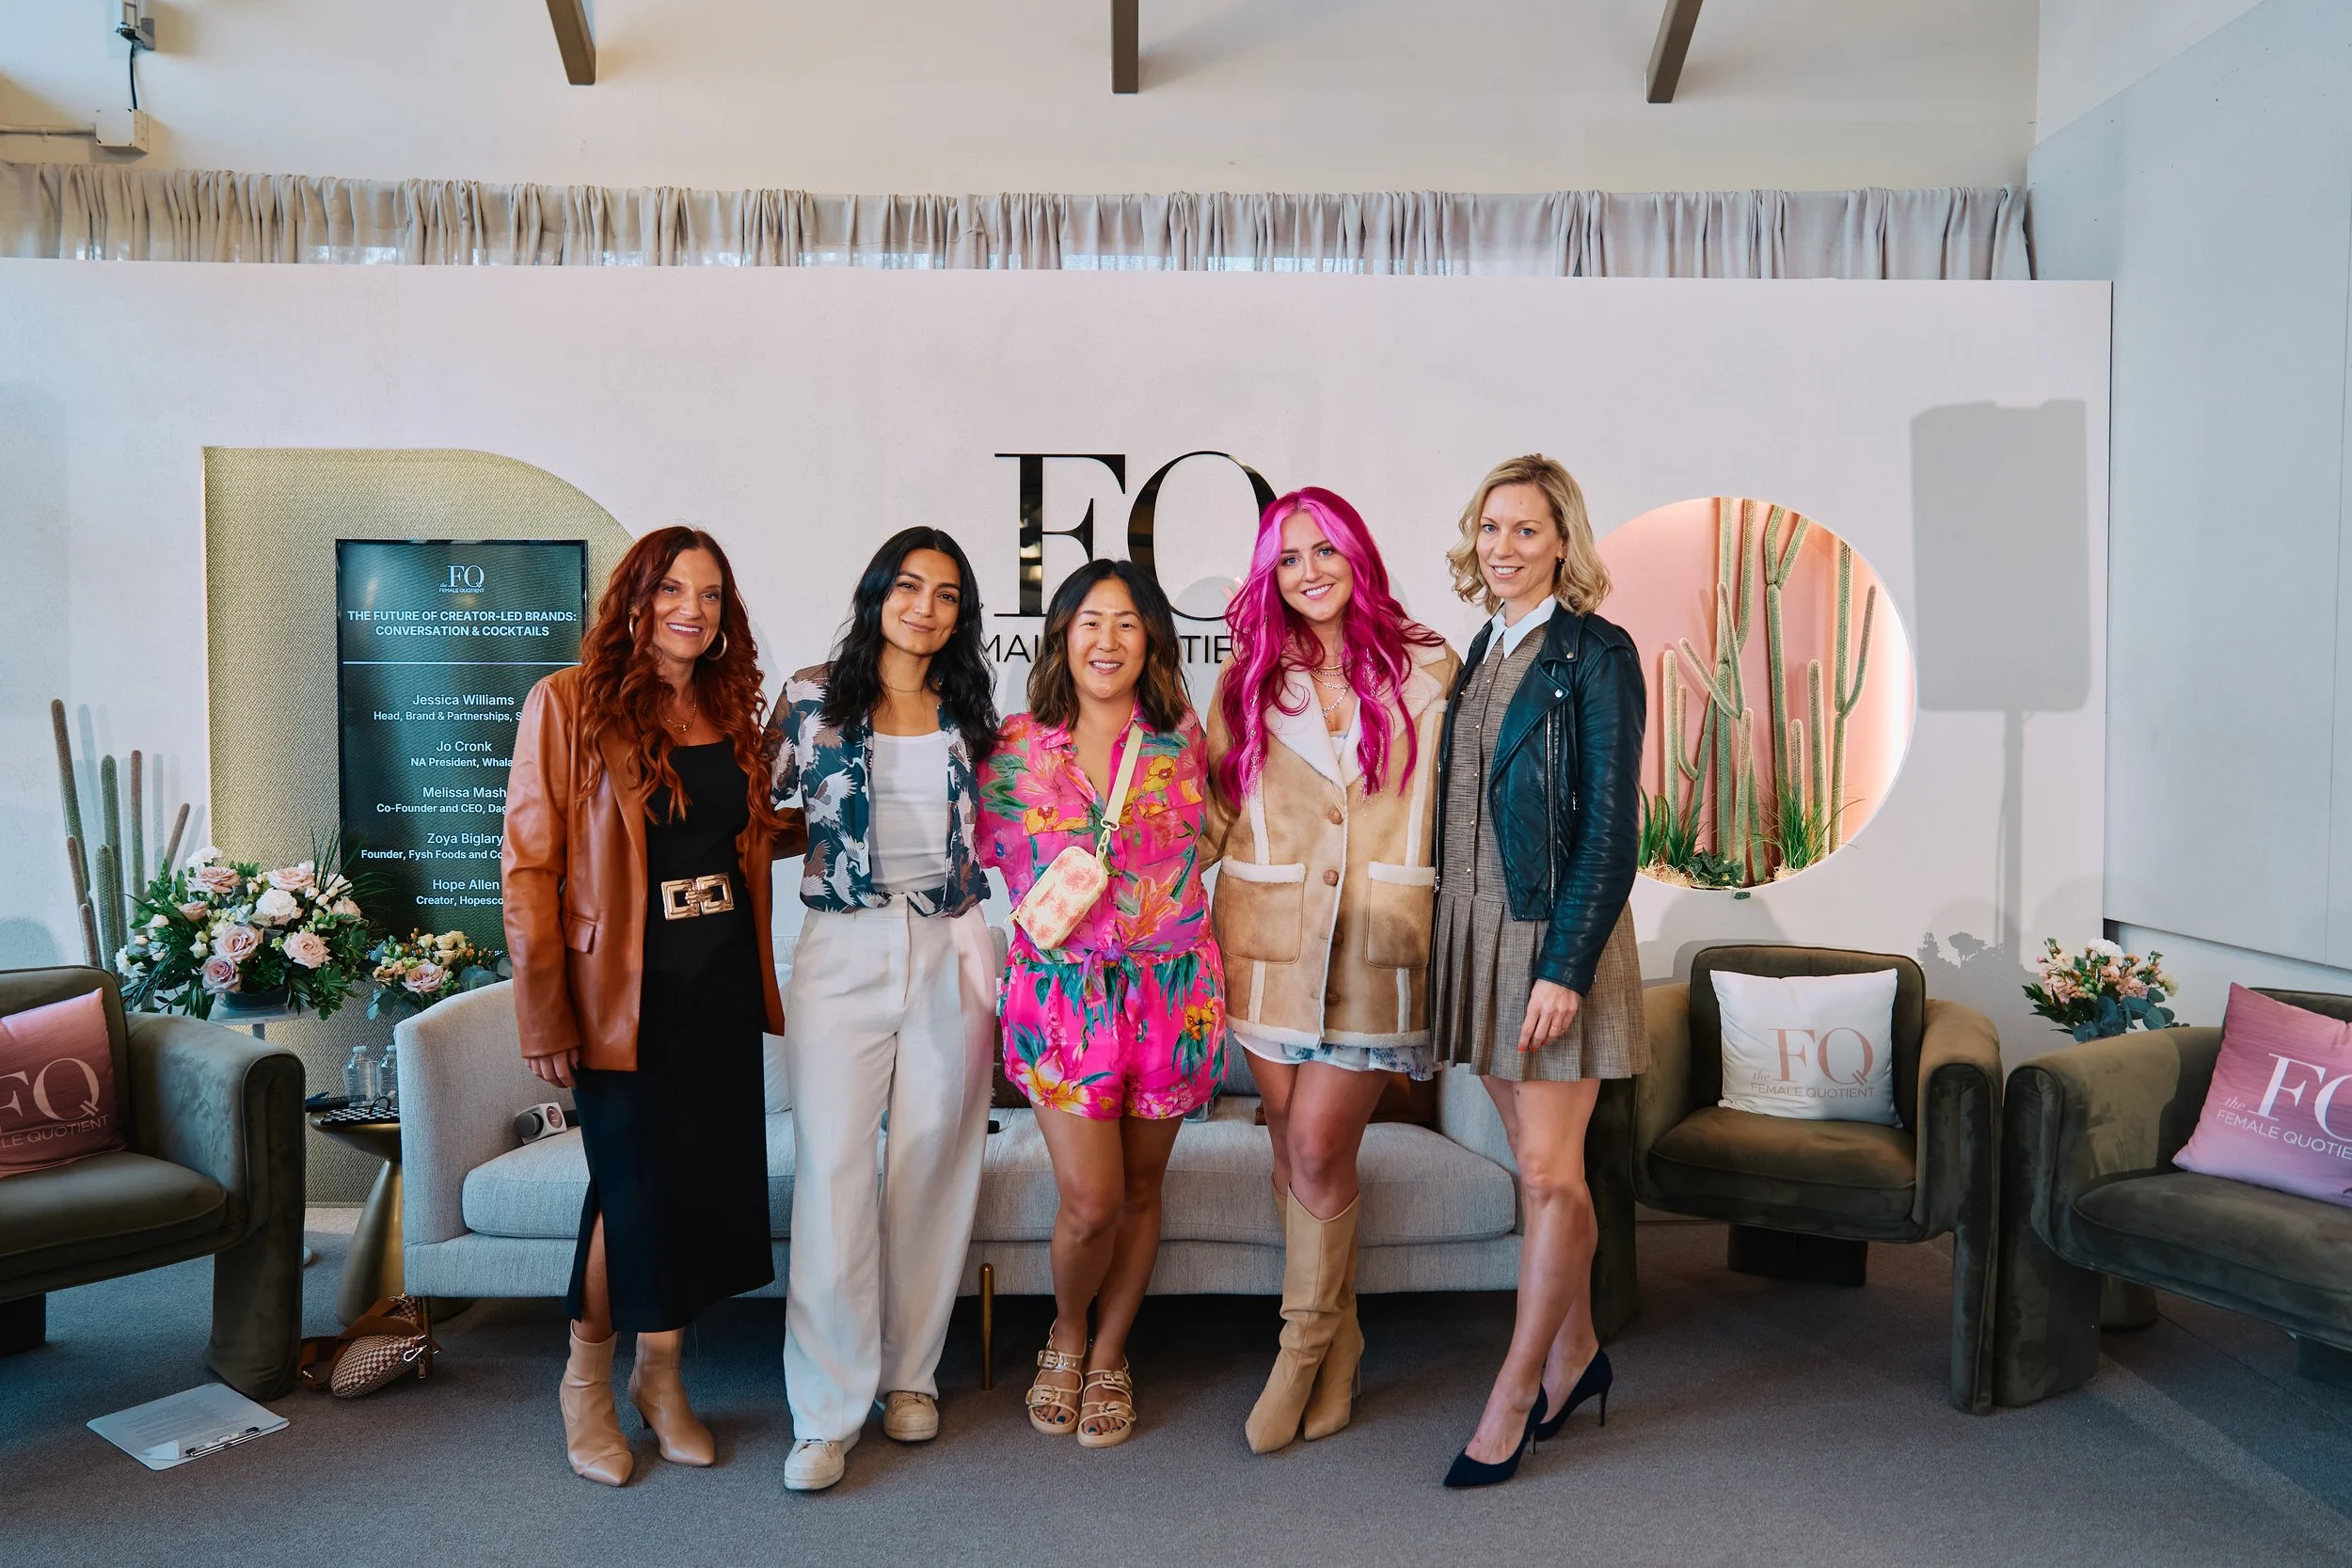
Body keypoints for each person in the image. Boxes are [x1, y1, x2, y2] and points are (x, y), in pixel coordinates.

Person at [504, 525, 800, 1488]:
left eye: (711, 594)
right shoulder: (566, 702)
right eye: (673, 588)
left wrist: (851, 797)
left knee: (702, 1185)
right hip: (618, 993)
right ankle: (586, 1381)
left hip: (714, 983)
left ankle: (662, 1379)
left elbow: (753, 835)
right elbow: (531, 865)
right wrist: (544, 1010)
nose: (692, 608)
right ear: (634, 596)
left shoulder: (725, 707)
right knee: (628, 1194)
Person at [1202, 487, 1459, 1453]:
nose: (1307, 570)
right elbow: (1212, 815)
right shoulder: (1247, 678)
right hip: (1265, 948)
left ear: (1357, 553)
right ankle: (1345, 1340)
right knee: (1293, 1150)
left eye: (1324, 549)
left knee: (1314, 1143)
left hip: (1377, 946)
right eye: (1287, 557)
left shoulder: (1430, 665)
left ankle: (1298, 1346)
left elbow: (1458, 807)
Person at [765, 527, 1002, 1494]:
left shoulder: (972, 710)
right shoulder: (814, 695)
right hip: (842, 945)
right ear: (877, 593)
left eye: (946, 595)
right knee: (831, 1169)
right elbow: (759, 811)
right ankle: (824, 1410)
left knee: (931, 1163)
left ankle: (910, 1376)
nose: (925, 608)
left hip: (948, 940)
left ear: (961, 615)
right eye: (909, 587)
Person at [1428, 454, 1646, 1488]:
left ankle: (1512, 1391)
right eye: (1491, 528)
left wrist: (1564, 963)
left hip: (1556, 939)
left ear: (1564, 541)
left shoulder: (1593, 653)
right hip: (1479, 934)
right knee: (1537, 1169)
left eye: (1525, 529)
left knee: (1553, 1175)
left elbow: (1612, 826)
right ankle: (1575, 1352)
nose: (1503, 547)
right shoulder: (1480, 647)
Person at [975, 560, 1228, 1450]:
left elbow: (1237, 821)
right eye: (1089, 621)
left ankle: (1114, 1351)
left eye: (1126, 622)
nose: (1108, 640)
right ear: (1060, 636)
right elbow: (983, 862)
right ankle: (1069, 1331)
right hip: (1062, 1001)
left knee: (1144, 1187)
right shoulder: (1012, 747)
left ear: (1151, 637)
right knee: (1091, 1198)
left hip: (1170, 993)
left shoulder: (1185, 738)